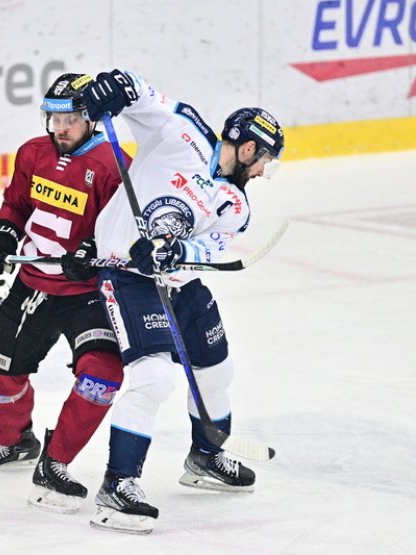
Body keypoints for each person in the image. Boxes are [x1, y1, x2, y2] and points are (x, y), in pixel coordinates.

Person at [68, 69, 284, 533]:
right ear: (249, 149)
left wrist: (175, 250)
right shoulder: (182, 132)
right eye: (266, 159)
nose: (265, 171)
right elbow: (141, 95)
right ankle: (118, 485)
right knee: (152, 377)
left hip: (181, 283)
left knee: (216, 372)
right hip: (128, 278)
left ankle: (205, 458)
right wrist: (117, 87)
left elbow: (211, 250)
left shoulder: (236, 204)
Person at [0, 73, 129, 513]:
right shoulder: (32, 152)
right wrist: (0, 233)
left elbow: (125, 233)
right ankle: (15, 440)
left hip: (89, 293)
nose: (60, 129)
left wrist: (94, 252)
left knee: (103, 376)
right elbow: (17, 205)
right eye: (54, 119)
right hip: (34, 283)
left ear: (92, 120)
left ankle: (55, 462)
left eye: (71, 119)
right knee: (0, 374)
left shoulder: (116, 166)